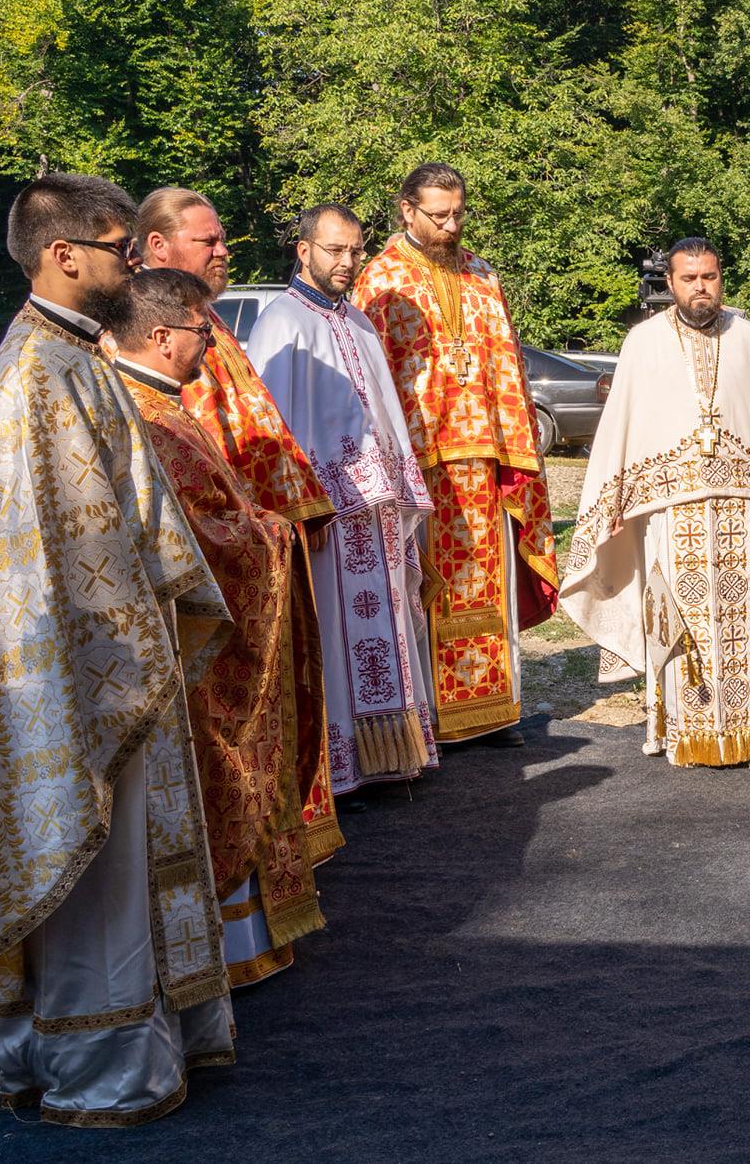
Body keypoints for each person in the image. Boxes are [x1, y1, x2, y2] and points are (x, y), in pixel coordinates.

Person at [0, 175, 234, 1124]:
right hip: (76, 670)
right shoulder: (37, 371)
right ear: (65, 255)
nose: (132, 262)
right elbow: (54, 545)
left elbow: (120, 509)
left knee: (117, 860)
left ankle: (102, 1048)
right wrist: (133, 637)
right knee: (90, 867)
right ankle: (95, 1068)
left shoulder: (72, 357)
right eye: (119, 247)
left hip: (110, 651)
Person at [110, 269, 324, 987]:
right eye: (205, 332)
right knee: (217, 780)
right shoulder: (149, 415)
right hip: (194, 646)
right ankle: (226, 949)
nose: (211, 345)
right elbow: (194, 536)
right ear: (165, 336)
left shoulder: (160, 404)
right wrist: (269, 533)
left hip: (197, 636)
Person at [562, 237, 750, 766]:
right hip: (671, 510)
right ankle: (682, 730)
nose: (701, 287)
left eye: (709, 277)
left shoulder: (746, 336)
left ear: (720, 277)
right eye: (689, 278)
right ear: (670, 284)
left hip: (741, 509)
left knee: (743, 616)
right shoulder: (643, 342)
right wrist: (612, 503)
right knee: (674, 615)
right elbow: (624, 429)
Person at [139, 187, 339, 853]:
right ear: (158, 248)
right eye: (209, 241)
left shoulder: (212, 323)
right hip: (219, 556)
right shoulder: (154, 331)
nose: (225, 251)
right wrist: (263, 530)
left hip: (253, 544)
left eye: (223, 239)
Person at [353, 163, 558, 746]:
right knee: (429, 589)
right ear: (407, 210)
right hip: (423, 465)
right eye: (437, 215)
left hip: (486, 458)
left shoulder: (481, 275)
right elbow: (374, 379)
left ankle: (493, 712)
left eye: (457, 214)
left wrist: (517, 452)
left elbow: (505, 365)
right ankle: (434, 717)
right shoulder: (382, 281)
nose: (449, 225)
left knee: (485, 587)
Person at [250, 205, 440, 797]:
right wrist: (306, 506)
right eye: (334, 250)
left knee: (387, 631)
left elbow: (385, 416)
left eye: (355, 250)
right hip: (329, 516)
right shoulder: (282, 324)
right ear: (304, 251)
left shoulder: (357, 321)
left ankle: (393, 755)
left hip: (377, 512)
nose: (347, 261)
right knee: (334, 637)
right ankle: (340, 773)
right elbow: (274, 430)